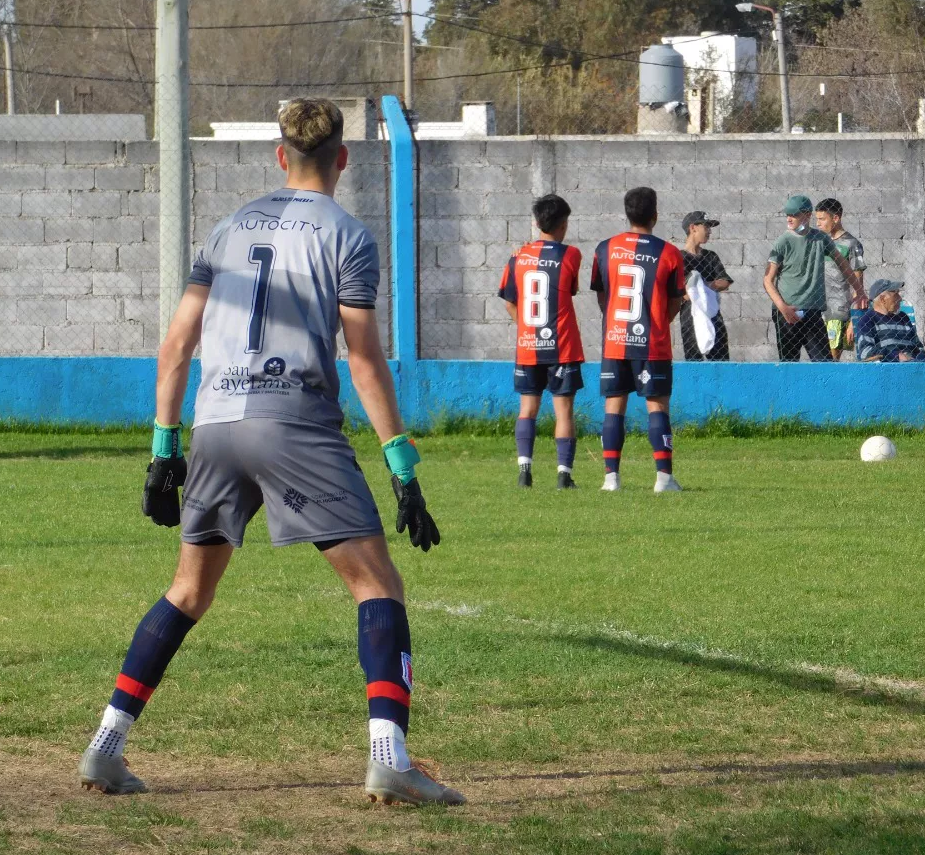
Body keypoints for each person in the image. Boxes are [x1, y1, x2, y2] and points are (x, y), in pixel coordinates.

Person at [77, 99, 463, 807]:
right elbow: (365, 361)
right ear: (343, 159)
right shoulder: (349, 236)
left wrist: (164, 451)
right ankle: (390, 756)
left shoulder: (226, 230)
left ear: (278, 157)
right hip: (294, 423)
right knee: (378, 586)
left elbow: (176, 346)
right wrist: (403, 467)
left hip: (216, 422)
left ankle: (106, 745)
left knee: (188, 591)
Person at [591, 186, 686, 493]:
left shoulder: (604, 249)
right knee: (657, 407)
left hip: (615, 340)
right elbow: (676, 300)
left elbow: (602, 295)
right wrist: (658, 321)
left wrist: (616, 321)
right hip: (652, 343)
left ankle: (611, 479)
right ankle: (663, 479)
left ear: (627, 213)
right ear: (655, 215)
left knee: (613, 406)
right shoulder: (669, 253)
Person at [497, 194, 584, 490]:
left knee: (527, 408)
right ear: (564, 225)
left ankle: (525, 473)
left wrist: (526, 326)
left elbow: (509, 302)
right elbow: (569, 290)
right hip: (562, 345)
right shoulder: (571, 256)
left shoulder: (517, 257)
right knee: (564, 410)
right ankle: (563, 475)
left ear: (536, 223)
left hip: (528, 345)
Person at [764, 195, 866, 362]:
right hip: (788, 313)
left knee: (824, 365)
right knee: (789, 366)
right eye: (787, 214)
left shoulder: (821, 239)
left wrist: (860, 291)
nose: (789, 218)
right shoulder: (783, 242)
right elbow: (767, 280)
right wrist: (782, 308)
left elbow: (844, 265)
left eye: (794, 214)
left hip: (813, 313)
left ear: (807, 215)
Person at [813, 198, 866, 360]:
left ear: (835, 218)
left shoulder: (851, 244)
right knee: (817, 360)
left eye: (822, 219)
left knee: (830, 359)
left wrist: (853, 320)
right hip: (815, 312)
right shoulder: (817, 243)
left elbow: (858, 285)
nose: (818, 224)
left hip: (837, 312)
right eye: (816, 219)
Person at [678, 211, 731, 361]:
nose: (709, 231)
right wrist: (696, 289)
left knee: (721, 359)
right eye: (706, 226)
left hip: (713, 313)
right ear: (693, 227)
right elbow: (684, 292)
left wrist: (701, 286)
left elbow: (724, 281)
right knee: (694, 359)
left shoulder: (711, 256)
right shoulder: (679, 257)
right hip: (691, 315)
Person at [856, 280, 925, 362]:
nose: (900, 298)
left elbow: (918, 347)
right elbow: (865, 353)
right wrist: (896, 356)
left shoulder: (903, 317)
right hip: (886, 368)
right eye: (896, 294)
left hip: (912, 365)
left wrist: (921, 360)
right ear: (883, 299)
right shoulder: (867, 320)